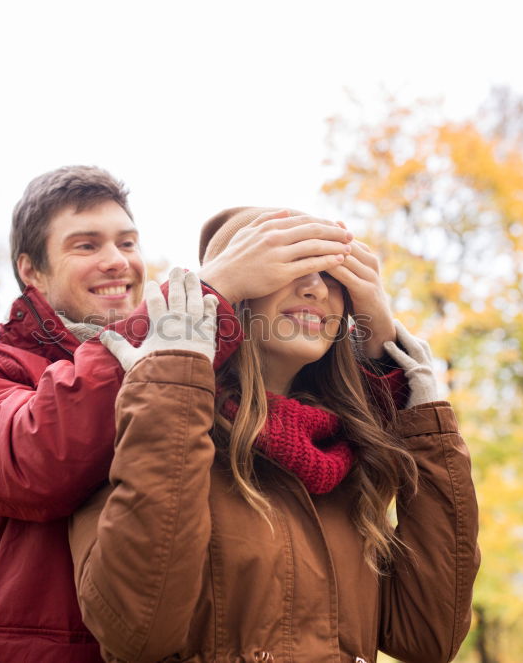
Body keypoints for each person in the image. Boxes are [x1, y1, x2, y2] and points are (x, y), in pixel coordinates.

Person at [0, 170, 407, 662]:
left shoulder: (197, 368)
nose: (117, 261)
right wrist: (209, 295)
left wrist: (382, 352)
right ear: (31, 270)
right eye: (86, 245)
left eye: (127, 242)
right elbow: (39, 461)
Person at [69, 207, 481, 662]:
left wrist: (417, 410)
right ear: (235, 289)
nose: (314, 287)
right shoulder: (150, 418)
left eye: (332, 276)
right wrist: (170, 385)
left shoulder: (353, 460)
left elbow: (429, 638)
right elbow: (137, 632)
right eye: (291, 265)